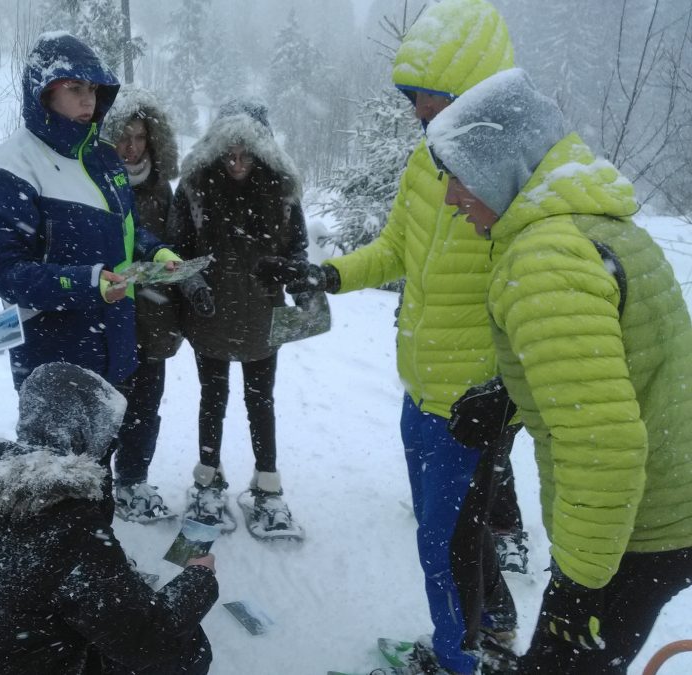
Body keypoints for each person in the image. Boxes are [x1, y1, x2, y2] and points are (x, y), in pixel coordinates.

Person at [257, 0, 522, 672]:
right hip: (420, 390)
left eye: (427, 99)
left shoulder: (513, 179)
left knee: (443, 542)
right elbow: (395, 250)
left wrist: (506, 388)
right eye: (411, 98)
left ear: (469, 94)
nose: (415, 112)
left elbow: (533, 292)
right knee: (454, 533)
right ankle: (488, 628)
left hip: (473, 401)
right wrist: (327, 273)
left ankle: (459, 658)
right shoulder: (425, 165)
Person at [430, 66, 692, 675]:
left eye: (458, 177)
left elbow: (606, 445)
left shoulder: (544, 257)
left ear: (501, 167)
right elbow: (619, 360)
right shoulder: (593, 224)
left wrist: (579, 587)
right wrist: (511, 394)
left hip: (639, 530)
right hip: (661, 508)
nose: (451, 197)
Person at [0, 362, 218, 675]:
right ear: (92, 435)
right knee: (185, 648)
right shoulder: (68, 521)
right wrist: (199, 577)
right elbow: (147, 639)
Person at [0, 32, 184, 394]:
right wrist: (86, 283)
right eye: (74, 88)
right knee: (66, 454)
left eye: (92, 87)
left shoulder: (104, 156)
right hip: (54, 357)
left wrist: (154, 252)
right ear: (44, 92)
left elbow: (126, 229)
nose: (88, 98)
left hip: (116, 345)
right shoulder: (13, 167)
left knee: (121, 443)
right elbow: (5, 272)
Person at [172, 99, 308, 540]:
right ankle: (208, 479)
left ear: (261, 149)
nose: (236, 161)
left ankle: (268, 485)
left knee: (260, 399)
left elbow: (298, 250)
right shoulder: (194, 189)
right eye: (229, 152)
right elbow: (176, 250)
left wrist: (301, 284)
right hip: (210, 315)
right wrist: (192, 285)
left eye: (245, 152)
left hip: (262, 316)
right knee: (212, 397)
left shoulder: (284, 191)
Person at [101, 88, 184, 522]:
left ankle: (133, 481)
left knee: (146, 408)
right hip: (109, 313)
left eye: (139, 137)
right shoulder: (97, 182)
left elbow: (170, 244)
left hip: (153, 318)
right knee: (107, 405)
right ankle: (96, 486)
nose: (130, 147)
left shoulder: (161, 188)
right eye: (122, 137)